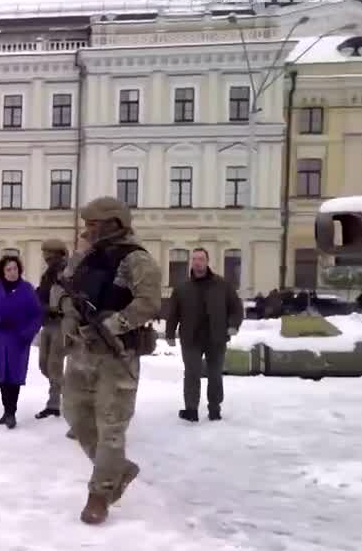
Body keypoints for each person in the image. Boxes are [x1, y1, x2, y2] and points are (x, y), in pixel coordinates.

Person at [52, 197, 162, 526]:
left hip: (118, 354)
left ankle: (99, 495)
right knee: (74, 414)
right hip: (83, 352)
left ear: (114, 223)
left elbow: (149, 303)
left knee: (111, 427)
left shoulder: (136, 260)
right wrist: (70, 318)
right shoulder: (86, 258)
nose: (87, 230)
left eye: (93, 225)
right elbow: (62, 292)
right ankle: (119, 470)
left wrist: (113, 325)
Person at [164, 248, 243, 422]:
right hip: (191, 338)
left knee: (215, 374)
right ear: (191, 262)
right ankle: (191, 410)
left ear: (207, 261)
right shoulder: (182, 287)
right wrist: (170, 333)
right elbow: (173, 312)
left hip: (216, 337)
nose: (197, 262)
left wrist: (233, 325)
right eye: (195, 259)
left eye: (201, 259)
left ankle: (215, 409)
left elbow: (236, 308)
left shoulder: (222, 285)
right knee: (192, 374)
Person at [0, 255, 43, 429]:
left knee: (14, 376)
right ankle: (6, 411)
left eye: (15, 269)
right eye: (9, 269)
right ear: (2, 271)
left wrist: (27, 332)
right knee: (1, 375)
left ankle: (11, 412)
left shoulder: (27, 289)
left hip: (18, 339)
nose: (12, 272)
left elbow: (36, 315)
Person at [34, 239, 69, 420]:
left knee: (54, 365)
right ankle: (67, 389)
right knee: (43, 364)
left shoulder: (65, 272)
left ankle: (54, 404)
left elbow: (66, 299)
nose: (45, 256)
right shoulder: (48, 274)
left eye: (48, 253)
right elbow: (42, 295)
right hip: (47, 323)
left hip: (60, 323)